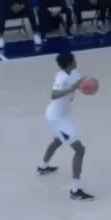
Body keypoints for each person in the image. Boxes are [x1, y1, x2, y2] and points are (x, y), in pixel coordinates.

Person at [37, 51, 95, 201]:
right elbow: (54, 94)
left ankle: (43, 167)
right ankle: (76, 190)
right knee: (80, 150)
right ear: (70, 63)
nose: (76, 61)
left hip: (56, 115)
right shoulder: (61, 78)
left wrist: (87, 84)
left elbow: (80, 83)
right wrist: (72, 88)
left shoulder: (74, 73)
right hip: (58, 119)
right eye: (74, 60)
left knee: (57, 141)